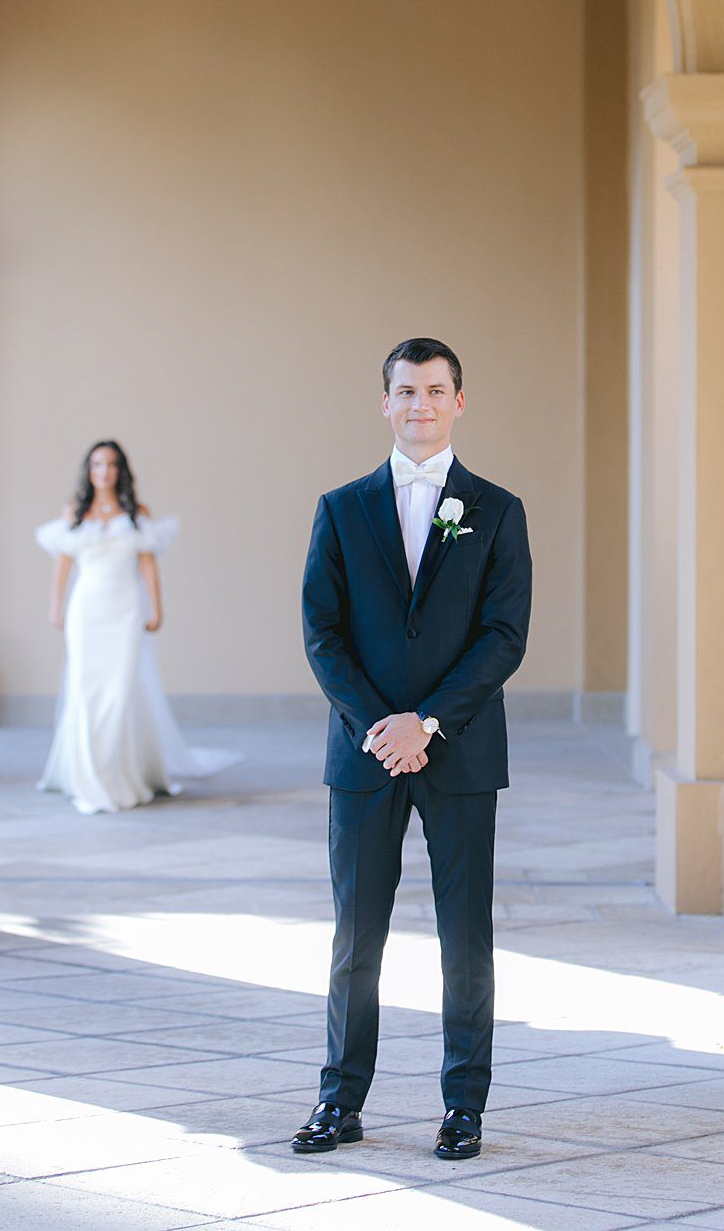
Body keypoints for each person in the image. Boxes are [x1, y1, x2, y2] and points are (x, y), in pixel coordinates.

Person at [292, 337, 532, 1162]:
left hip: (459, 753)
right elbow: (322, 635)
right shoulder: (340, 508)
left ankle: (464, 1105)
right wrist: (380, 726)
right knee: (357, 937)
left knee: (465, 936)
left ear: (459, 401)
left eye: (436, 390)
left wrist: (426, 722)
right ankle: (338, 1099)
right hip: (364, 756)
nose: (420, 405)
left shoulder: (496, 510)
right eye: (406, 391)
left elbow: (505, 637)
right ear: (385, 402)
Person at [35, 440, 233, 814]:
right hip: (86, 611)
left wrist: (157, 608)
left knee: (119, 692)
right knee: (86, 690)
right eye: (96, 464)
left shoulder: (136, 512)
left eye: (110, 464)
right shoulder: (75, 513)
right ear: (88, 471)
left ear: (120, 470)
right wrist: (55, 609)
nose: (103, 471)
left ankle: (117, 774)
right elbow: (62, 565)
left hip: (124, 610)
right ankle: (87, 778)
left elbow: (148, 564)